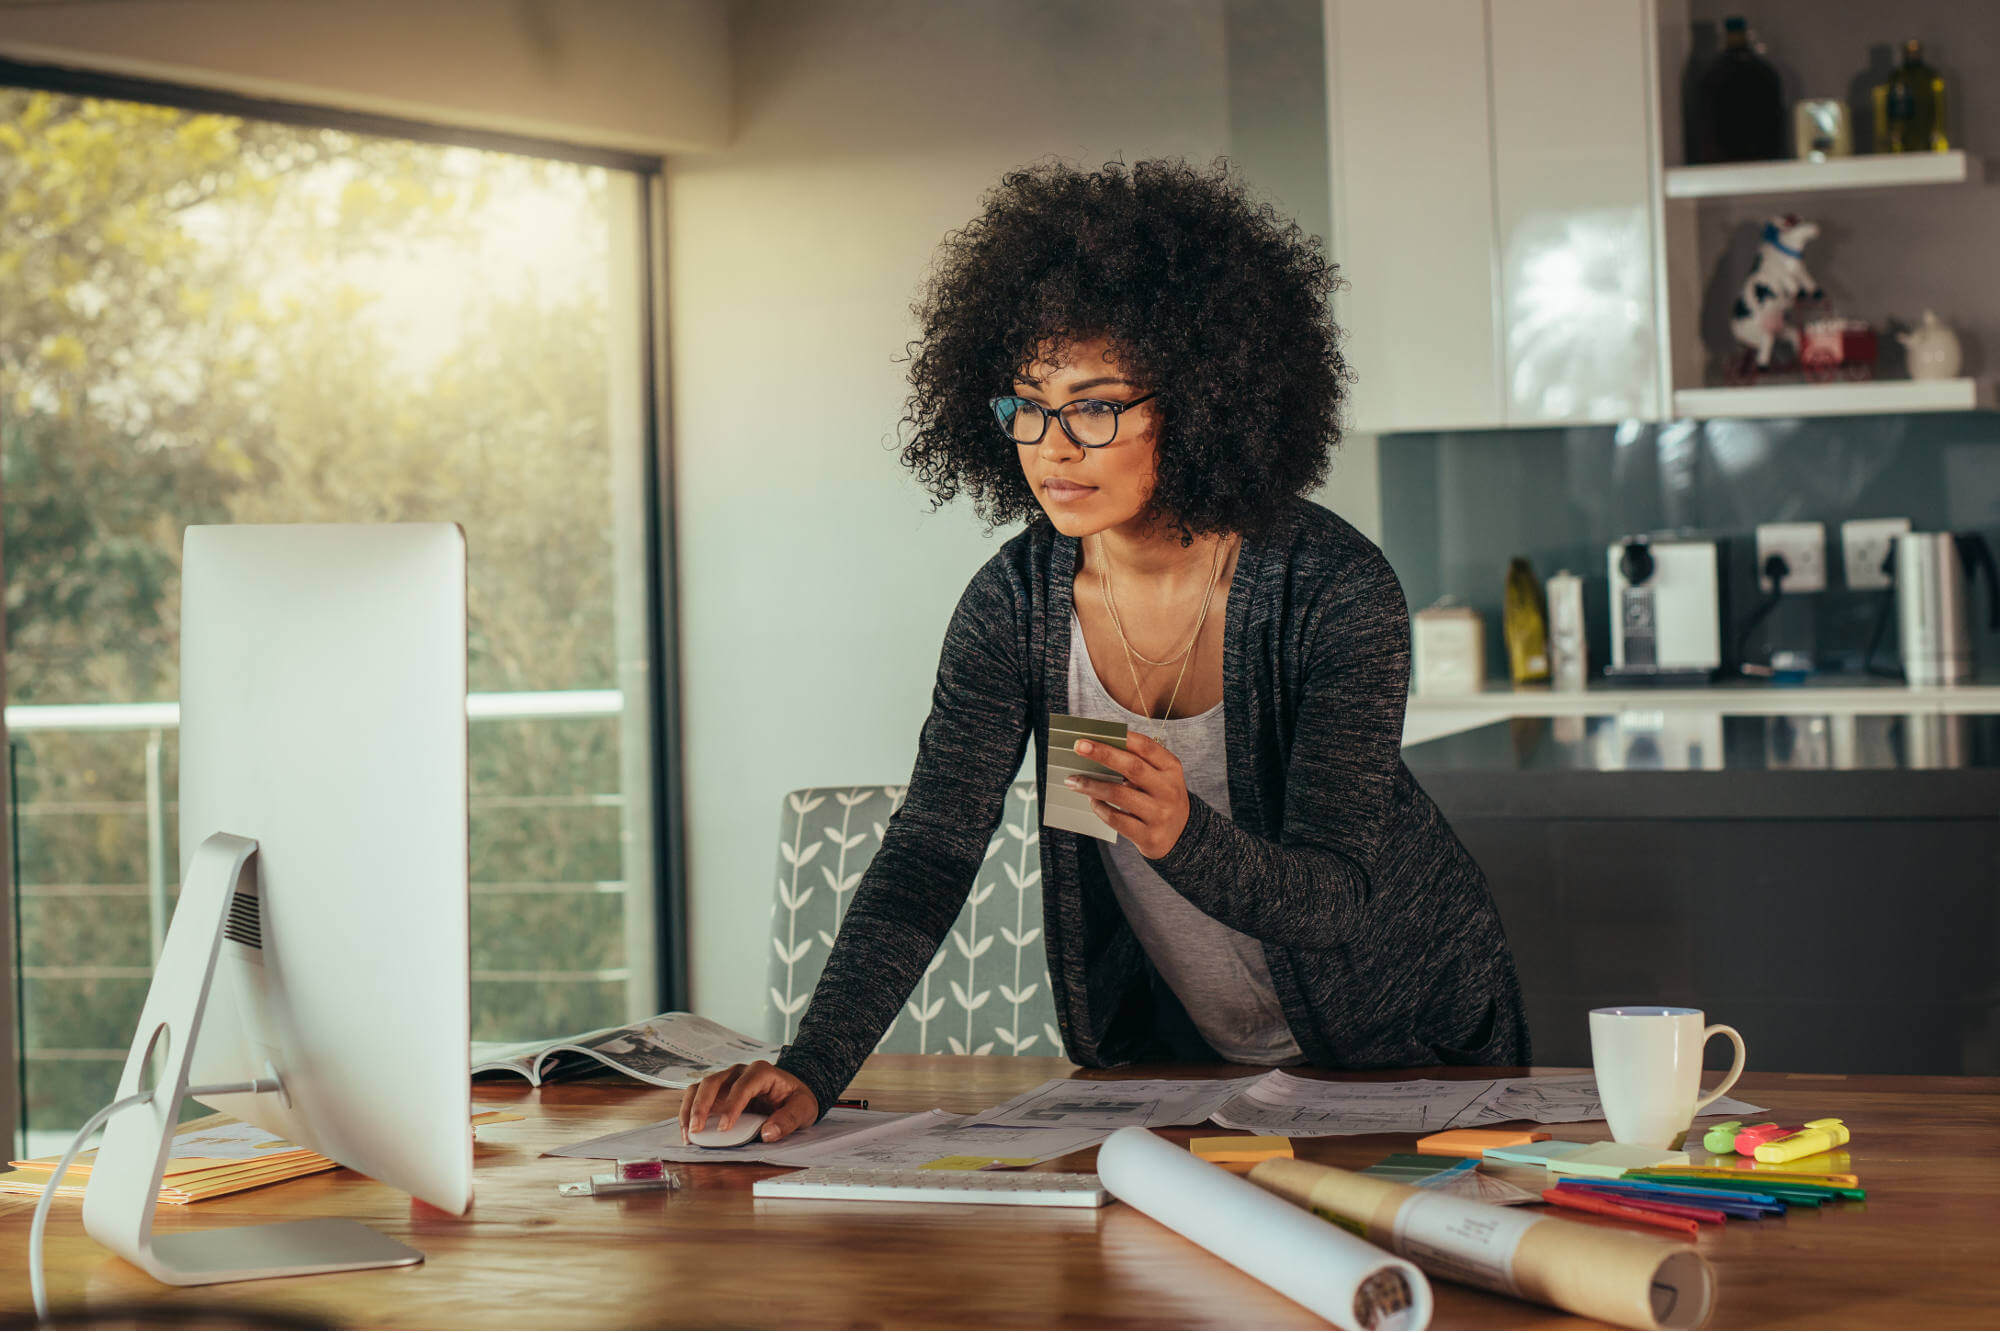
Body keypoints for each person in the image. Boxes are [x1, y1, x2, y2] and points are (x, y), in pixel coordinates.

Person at [681, 157, 1529, 1146]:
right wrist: (811, 1067)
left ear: (1201, 399)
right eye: (1026, 407)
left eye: (1094, 406)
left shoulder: (1331, 592)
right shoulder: (1017, 606)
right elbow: (931, 850)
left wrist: (1180, 836)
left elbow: (1334, 898)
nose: (1051, 445)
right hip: (1190, 1067)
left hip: (1407, 1049)